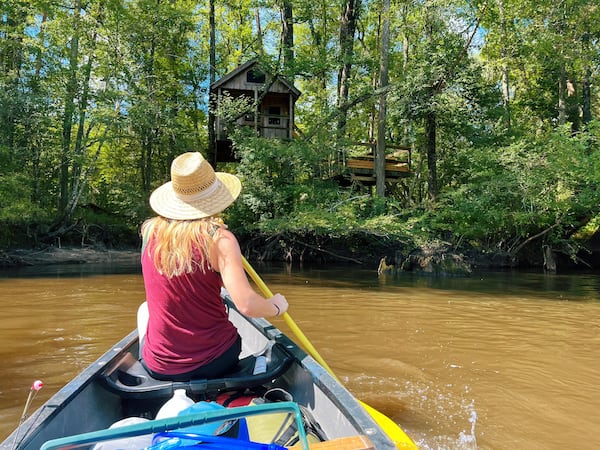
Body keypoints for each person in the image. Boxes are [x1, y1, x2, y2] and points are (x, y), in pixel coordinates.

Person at [139, 151, 288, 381]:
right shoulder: (220, 239)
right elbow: (247, 305)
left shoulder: (150, 232)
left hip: (158, 367)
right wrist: (275, 306)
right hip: (214, 361)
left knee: (144, 309)